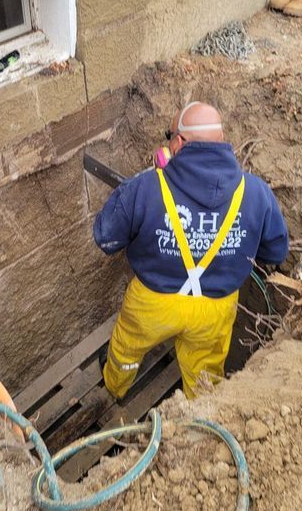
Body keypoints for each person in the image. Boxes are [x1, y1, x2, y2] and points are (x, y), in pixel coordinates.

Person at [93, 101, 288, 399]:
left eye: (169, 135)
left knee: (127, 349)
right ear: (220, 141)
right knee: (206, 372)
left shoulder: (146, 187)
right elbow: (275, 253)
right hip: (216, 307)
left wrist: (141, 195)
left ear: (179, 142)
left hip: (153, 303)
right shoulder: (256, 192)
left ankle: (114, 388)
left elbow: (105, 238)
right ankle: (199, 414)